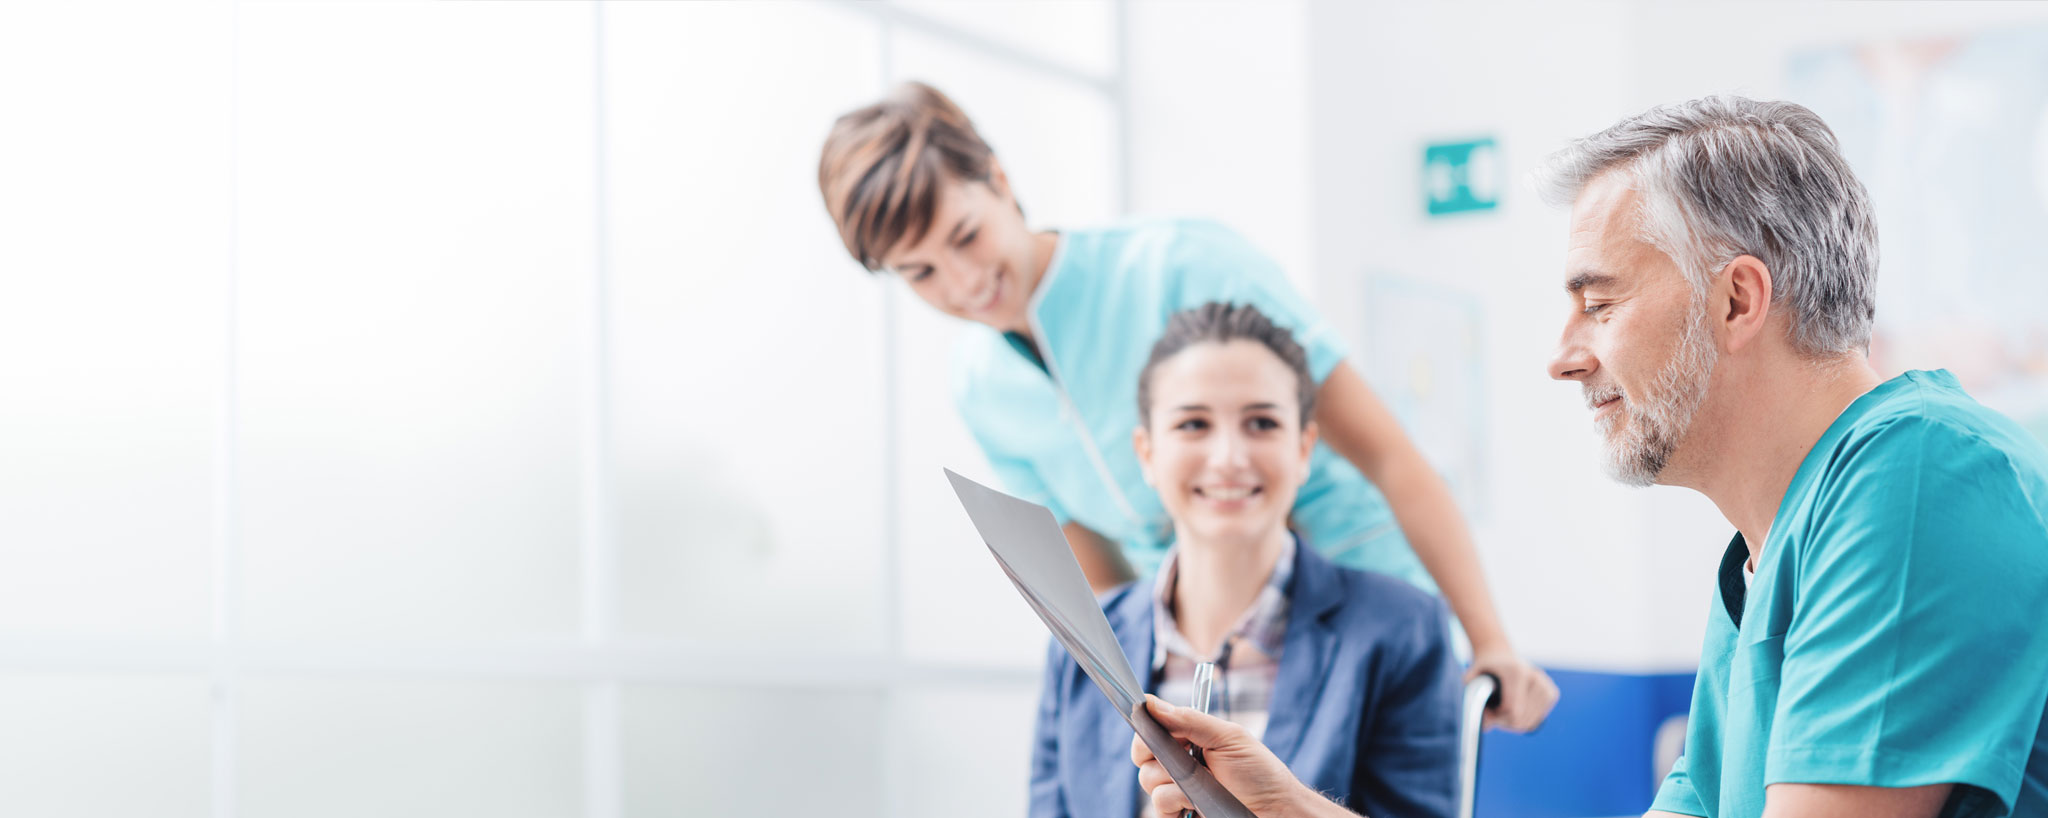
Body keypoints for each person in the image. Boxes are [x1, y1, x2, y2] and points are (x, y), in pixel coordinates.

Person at [1130, 96, 2048, 818]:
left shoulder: (1919, 477)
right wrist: (1286, 807)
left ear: (1737, 301)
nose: (1563, 355)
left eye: (1600, 304)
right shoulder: (1761, 561)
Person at [818, 81, 1557, 731]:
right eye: (921, 273)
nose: (965, 281)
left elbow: (1391, 457)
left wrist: (1488, 638)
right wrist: (1142, 704)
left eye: (967, 236)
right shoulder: (981, 387)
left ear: (1001, 180)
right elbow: (1099, 578)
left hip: (1361, 602)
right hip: (1211, 657)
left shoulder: (1182, 265)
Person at [1029, 302, 1461, 818]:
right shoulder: (1082, 644)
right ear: (1146, 454)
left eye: (1261, 422)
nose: (1230, 457)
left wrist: (1288, 808)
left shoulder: (1401, 628)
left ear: (1303, 450)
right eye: (1193, 424)